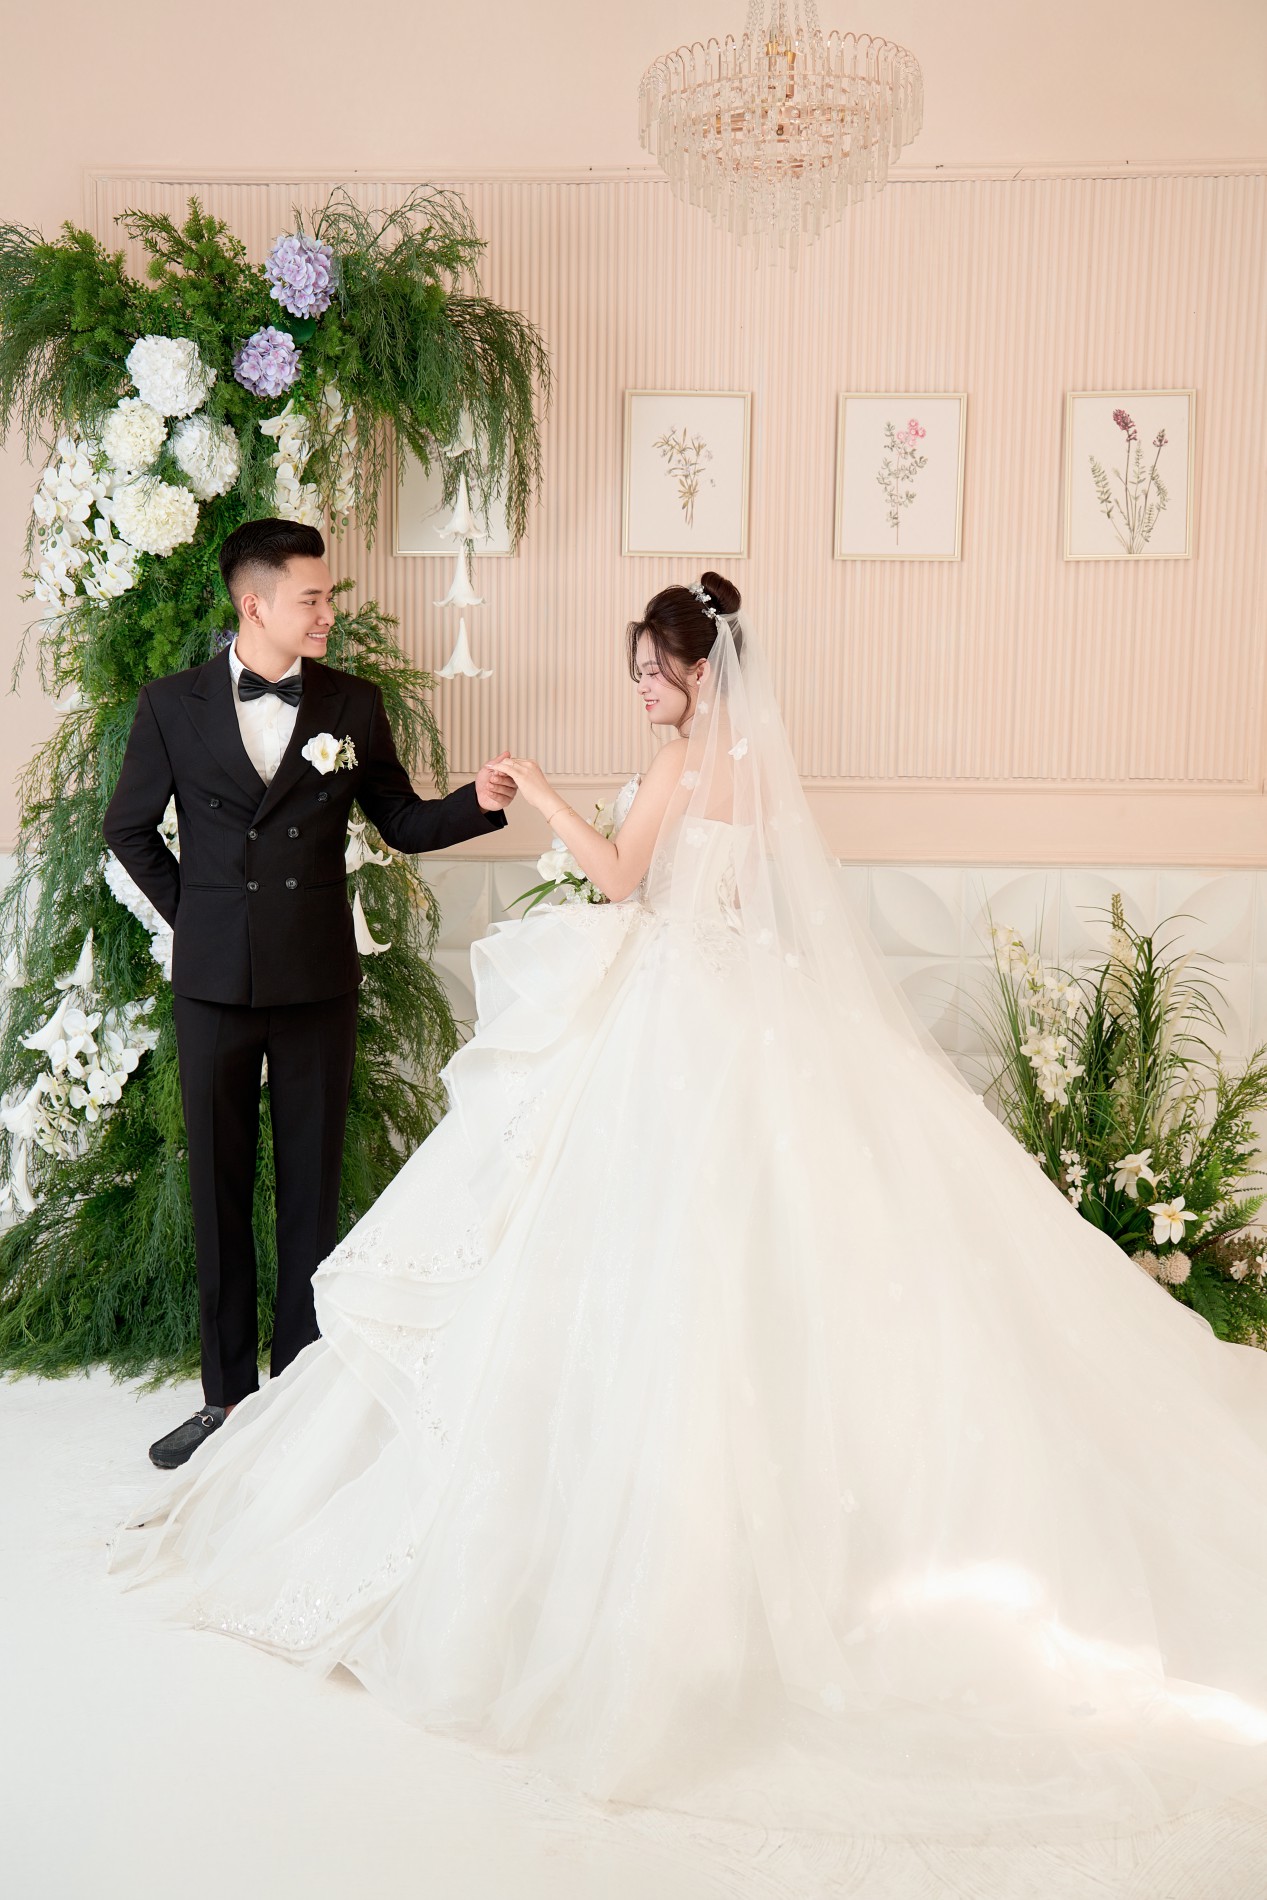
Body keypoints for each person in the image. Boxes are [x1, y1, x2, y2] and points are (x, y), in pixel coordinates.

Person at [111, 573, 1267, 1866]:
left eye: (652, 677)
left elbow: (621, 882)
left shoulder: (678, 765)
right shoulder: (758, 775)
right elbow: (744, 902)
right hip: (749, 1007)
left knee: (620, 1244)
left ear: (698, 673)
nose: (643, 696)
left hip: (671, 1017)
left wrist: (545, 795)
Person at [103, 518, 516, 1470]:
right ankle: (224, 1402)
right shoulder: (170, 705)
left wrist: (479, 802)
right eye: (313, 598)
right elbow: (129, 828)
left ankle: (298, 1396)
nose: (329, 612)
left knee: (310, 1190)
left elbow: (401, 821)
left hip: (315, 978)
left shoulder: (352, 703)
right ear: (254, 605)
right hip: (214, 983)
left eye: (327, 596)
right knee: (217, 1189)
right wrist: (200, 920)